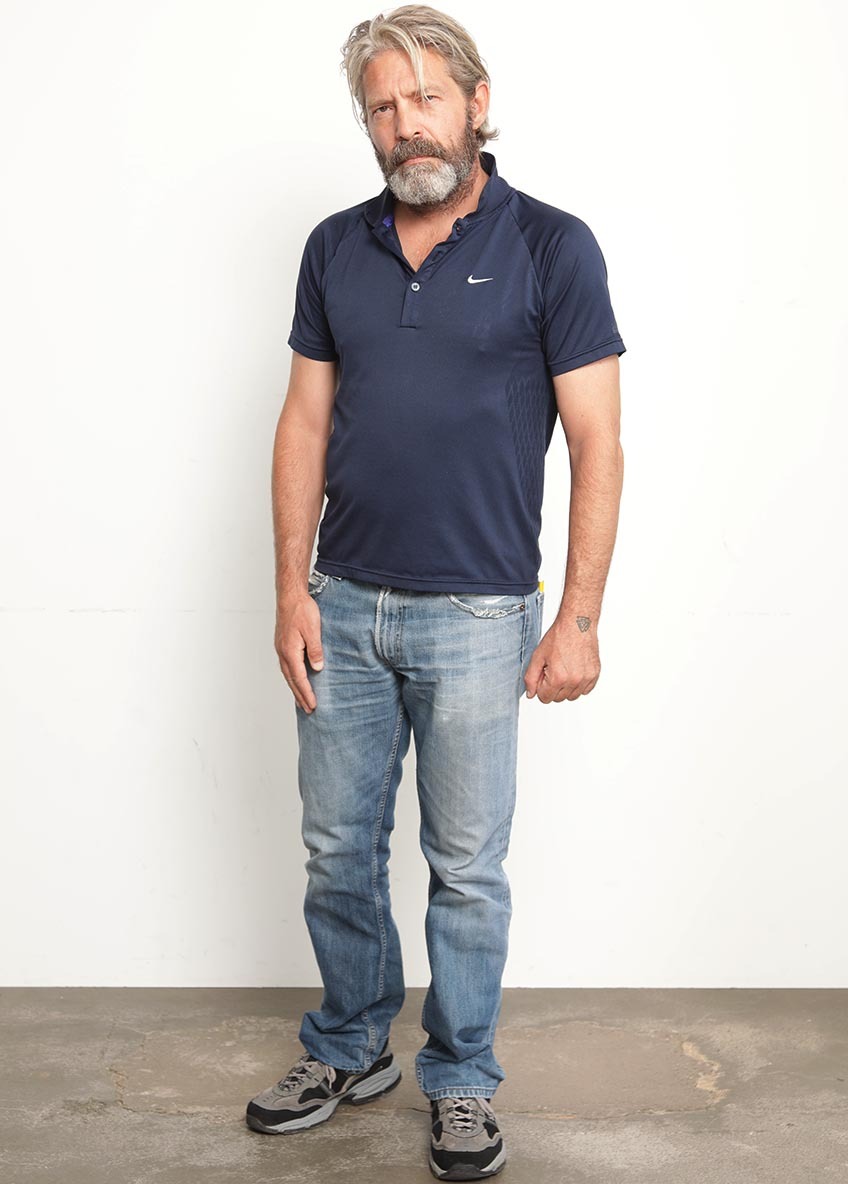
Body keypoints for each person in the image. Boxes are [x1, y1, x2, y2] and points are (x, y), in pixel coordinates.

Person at [246, 5, 626, 1179]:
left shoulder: (552, 246)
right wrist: (291, 590)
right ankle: (350, 1043)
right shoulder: (333, 247)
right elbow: (303, 421)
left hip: (477, 615)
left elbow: (597, 443)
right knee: (335, 850)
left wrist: (577, 618)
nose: (404, 123)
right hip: (342, 603)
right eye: (381, 105)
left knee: (465, 868)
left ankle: (459, 1077)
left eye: (423, 97)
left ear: (475, 102)